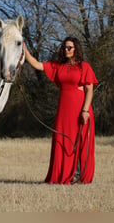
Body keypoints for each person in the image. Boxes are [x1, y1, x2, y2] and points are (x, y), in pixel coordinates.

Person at [24, 36, 98, 184]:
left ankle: (76, 175)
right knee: (62, 140)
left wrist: (85, 111)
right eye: (64, 47)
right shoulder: (58, 66)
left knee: (79, 140)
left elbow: (89, 90)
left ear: (76, 49)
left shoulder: (84, 66)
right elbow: (37, 65)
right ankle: (63, 174)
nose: (66, 50)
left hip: (80, 108)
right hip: (64, 110)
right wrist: (24, 49)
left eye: (69, 47)